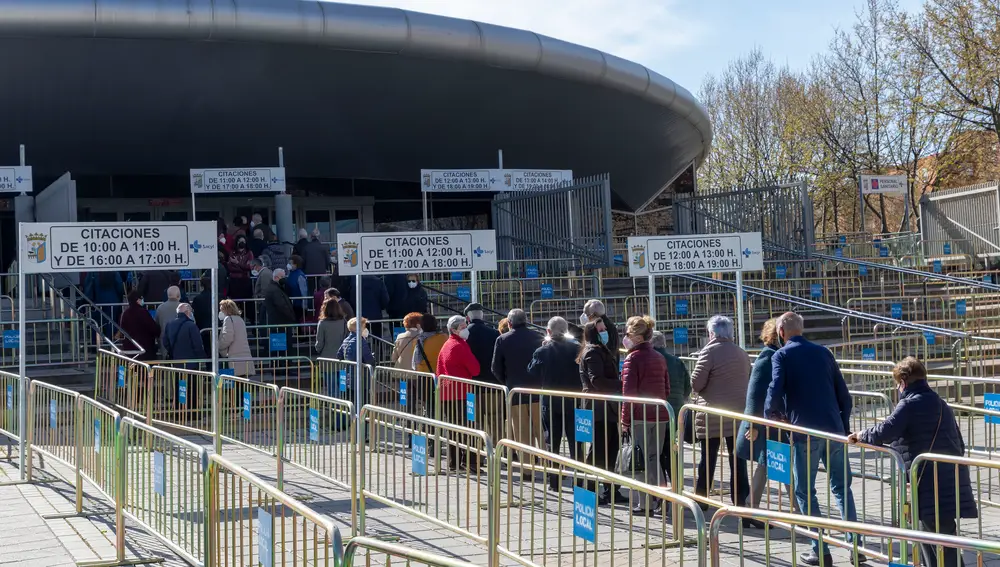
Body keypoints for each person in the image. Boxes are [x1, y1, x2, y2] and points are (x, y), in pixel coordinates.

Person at [848, 357, 976, 567]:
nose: (898, 388)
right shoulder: (940, 402)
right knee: (937, 535)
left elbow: (886, 430)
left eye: (898, 383)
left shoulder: (909, 404)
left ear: (904, 382)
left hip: (927, 481)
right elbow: (959, 442)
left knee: (936, 537)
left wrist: (861, 435)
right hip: (948, 477)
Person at [765, 312, 860, 566]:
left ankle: (820, 549)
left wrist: (770, 416)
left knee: (805, 491)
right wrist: (843, 427)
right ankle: (857, 546)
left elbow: (774, 390)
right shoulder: (824, 353)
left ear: (781, 332)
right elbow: (845, 396)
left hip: (804, 433)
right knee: (842, 488)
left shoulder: (781, 355)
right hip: (833, 430)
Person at [690, 315, 752, 519]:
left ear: (711, 333)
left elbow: (697, 383)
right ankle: (741, 499)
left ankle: (701, 499)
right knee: (738, 458)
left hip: (713, 414)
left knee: (708, 458)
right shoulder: (741, 353)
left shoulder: (709, 352)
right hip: (737, 414)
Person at [619, 315, 671, 514]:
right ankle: (664, 498)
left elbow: (628, 393)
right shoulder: (659, 357)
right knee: (653, 458)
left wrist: (625, 420)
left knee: (639, 460)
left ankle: (645, 503)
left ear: (635, 336)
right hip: (661, 414)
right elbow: (666, 387)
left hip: (640, 415)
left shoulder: (633, 358)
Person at [528, 316, 582, 491]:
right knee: (576, 443)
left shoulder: (542, 351)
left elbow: (532, 372)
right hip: (573, 401)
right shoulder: (577, 349)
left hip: (551, 402)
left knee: (553, 442)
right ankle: (579, 481)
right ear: (566, 331)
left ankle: (554, 481)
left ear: (548, 332)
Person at [578, 320, 626, 504]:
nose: (605, 332)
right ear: (593, 332)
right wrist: (622, 384)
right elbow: (596, 380)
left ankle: (610, 489)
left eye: (605, 329)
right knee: (598, 451)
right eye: (601, 330)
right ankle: (589, 490)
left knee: (611, 448)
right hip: (598, 408)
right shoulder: (592, 352)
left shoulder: (599, 350)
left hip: (607, 406)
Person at [492, 309, 544, 459]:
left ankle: (527, 469)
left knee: (522, 433)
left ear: (509, 323)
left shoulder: (502, 340)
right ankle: (548, 467)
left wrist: (507, 382)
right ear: (526, 320)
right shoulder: (538, 337)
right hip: (537, 390)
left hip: (515, 391)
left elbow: (495, 368)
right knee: (541, 431)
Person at [436, 314, 481, 471]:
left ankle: (454, 461)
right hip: (462, 392)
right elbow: (475, 368)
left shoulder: (447, 345)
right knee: (467, 427)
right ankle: (470, 462)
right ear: (453, 330)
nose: (465, 329)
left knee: (454, 429)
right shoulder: (460, 346)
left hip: (448, 393)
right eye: (462, 327)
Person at [162, 303, 207, 368]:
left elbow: (165, 342)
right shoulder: (191, 325)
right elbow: (197, 344)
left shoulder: (169, 324)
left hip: (175, 363)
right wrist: (202, 358)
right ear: (188, 312)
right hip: (191, 363)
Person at [218, 299, 255, 376]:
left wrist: (219, 346)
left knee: (235, 384)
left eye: (222, 310)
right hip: (244, 357)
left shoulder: (228, 319)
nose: (221, 312)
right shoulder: (240, 319)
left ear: (226, 310)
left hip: (234, 357)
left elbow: (227, 337)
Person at [119, 290, 159, 361]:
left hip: (130, 348)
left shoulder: (125, 313)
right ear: (138, 300)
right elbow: (153, 328)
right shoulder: (143, 312)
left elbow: (122, 330)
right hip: (145, 348)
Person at [83, 270, 125, 336]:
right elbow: (120, 286)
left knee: (96, 322)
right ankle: (110, 341)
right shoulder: (114, 272)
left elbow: (87, 285)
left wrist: (89, 299)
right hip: (113, 301)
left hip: (97, 301)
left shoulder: (93, 272)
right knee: (111, 321)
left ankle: (95, 342)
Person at [582, 299, 620, 365]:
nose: (584, 316)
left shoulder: (601, 328)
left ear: (593, 315)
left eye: (586, 313)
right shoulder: (608, 325)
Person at [315, 295, 348, 359]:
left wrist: (318, 349)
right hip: (341, 356)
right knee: (341, 369)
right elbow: (346, 338)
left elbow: (319, 343)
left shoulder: (322, 323)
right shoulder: (343, 322)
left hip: (326, 357)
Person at [156, 286, 182, 356]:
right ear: (179, 295)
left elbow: (157, 325)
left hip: (164, 343)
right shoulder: (184, 307)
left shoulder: (160, 308)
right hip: (181, 343)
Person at [190, 276, 214, 354]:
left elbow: (195, 313)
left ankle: (209, 365)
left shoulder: (197, 299)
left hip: (203, 327)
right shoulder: (218, 296)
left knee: (207, 350)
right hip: (216, 327)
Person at [285, 255, 309, 322]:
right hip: (292, 303)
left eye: (290, 263)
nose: (288, 265)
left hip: (299, 305)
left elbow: (304, 291)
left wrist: (304, 305)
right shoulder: (291, 274)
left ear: (296, 264)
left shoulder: (300, 276)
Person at [251, 257, 272, 323]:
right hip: (264, 302)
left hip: (265, 303)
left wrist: (261, 301)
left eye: (252, 267)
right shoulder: (263, 273)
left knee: (264, 321)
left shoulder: (265, 274)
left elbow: (265, 290)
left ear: (256, 266)